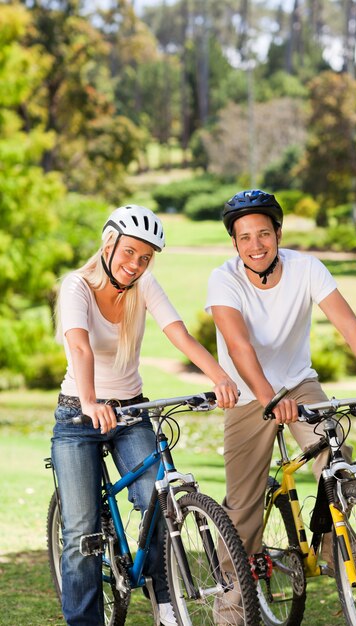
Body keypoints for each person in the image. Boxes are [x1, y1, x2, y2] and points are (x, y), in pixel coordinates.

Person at [51, 204, 239, 626]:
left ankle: (166, 604)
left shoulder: (144, 284)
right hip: (78, 418)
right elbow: (79, 348)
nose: (135, 264)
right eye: (129, 252)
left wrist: (220, 377)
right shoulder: (76, 286)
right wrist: (88, 402)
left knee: (156, 503)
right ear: (108, 243)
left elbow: (178, 333)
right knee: (81, 532)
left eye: (145, 257)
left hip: (132, 413)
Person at [205, 189, 356, 576]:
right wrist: (268, 399)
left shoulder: (306, 268)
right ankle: (232, 605)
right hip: (250, 394)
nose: (255, 245)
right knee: (243, 503)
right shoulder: (223, 280)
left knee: (336, 460)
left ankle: (341, 552)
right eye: (244, 237)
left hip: (297, 383)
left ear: (278, 233)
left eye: (263, 234)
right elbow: (239, 347)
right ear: (234, 243)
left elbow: (348, 325)